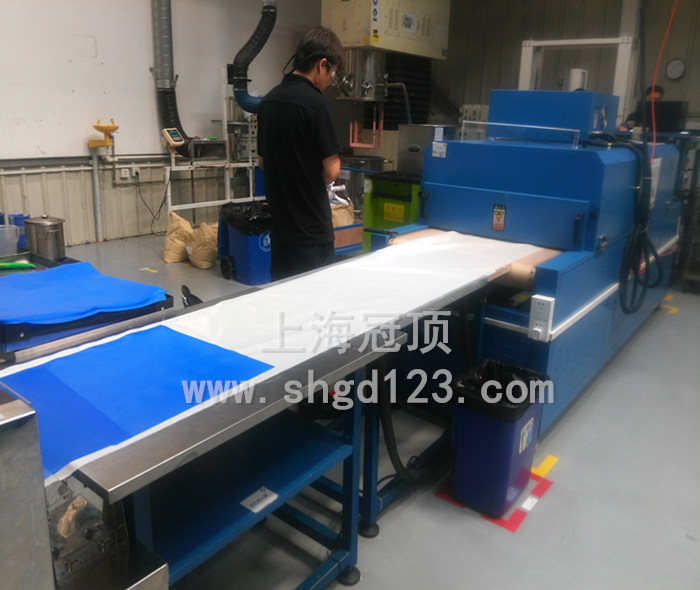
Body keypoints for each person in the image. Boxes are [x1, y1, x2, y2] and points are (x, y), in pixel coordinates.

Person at [257, 26, 343, 281]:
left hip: (282, 231)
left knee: (283, 297)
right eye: (332, 73)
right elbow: (331, 171)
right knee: (315, 298)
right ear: (322, 65)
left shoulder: (268, 102)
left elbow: (262, 162)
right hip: (311, 233)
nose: (330, 81)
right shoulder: (316, 104)